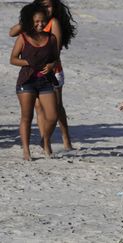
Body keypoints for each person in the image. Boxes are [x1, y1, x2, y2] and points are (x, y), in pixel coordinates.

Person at [9, 0, 77, 150]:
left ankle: (66, 138)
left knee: (57, 107)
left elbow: (56, 49)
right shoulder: (33, 22)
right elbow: (11, 32)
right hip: (34, 73)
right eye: (44, 5)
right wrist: (26, 21)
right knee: (39, 108)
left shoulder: (53, 22)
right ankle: (46, 143)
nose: (47, 8)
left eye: (49, 5)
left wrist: (51, 65)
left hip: (53, 70)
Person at [10, 3, 59, 160]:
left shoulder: (51, 38)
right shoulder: (23, 37)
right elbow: (12, 59)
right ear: (30, 21)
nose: (40, 24)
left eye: (43, 21)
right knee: (27, 117)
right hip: (26, 81)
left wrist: (51, 65)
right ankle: (26, 151)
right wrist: (28, 62)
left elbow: (55, 58)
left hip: (45, 81)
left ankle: (45, 140)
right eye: (37, 21)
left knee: (52, 116)